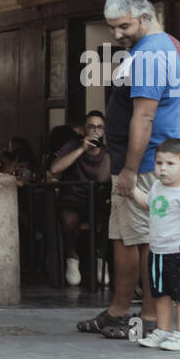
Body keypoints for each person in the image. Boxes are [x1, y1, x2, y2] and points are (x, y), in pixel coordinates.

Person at [77, 0, 180, 341]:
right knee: (124, 238)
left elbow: (144, 118)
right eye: (111, 27)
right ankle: (119, 311)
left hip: (145, 166)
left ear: (144, 16)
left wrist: (129, 170)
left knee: (145, 241)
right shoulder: (166, 45)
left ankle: (151, 316)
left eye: (123, 26)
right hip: (138, 163)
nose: (116, 34)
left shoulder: (152, 55)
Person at [132, 139, 180, 350]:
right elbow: (148, 204)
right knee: (160, 295)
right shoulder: (157, 187)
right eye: (159, 163)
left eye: (170, 164)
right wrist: (132, 190)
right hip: (157, 252)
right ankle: (163, 331)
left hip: (177, 253)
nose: (163, 168)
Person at [49, 110, 111, 285]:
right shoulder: (72, 145)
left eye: (99, 127)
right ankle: (72, 257)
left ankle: (101, 259)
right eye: (91, 127)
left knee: (112, 217)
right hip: (74, 199)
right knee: (69, 219)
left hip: (98, 200)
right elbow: (55, 169)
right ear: (83, 130)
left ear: (105, 131)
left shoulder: (108, 151)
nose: (95, 131)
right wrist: (82, 149)